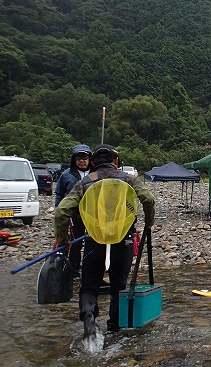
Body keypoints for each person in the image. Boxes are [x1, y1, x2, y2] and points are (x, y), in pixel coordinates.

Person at [54, 144, 156, 337]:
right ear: (116, 161)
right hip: (123, 241)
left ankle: (90, 325)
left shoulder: (84, 182)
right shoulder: (129, 179)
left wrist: (63, 240)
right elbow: (149, 200)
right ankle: (114, 330)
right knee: (118, 287)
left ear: (93, 163)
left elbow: (61, 211)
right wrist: (149, 221)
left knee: (89, 287)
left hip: (94, 241)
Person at [54, 144, 92, 280]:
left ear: (89, 159)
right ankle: (74, 271)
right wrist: (58, 208)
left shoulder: (95, 173)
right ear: (74, 160)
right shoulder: (66, 175)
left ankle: (89, 271)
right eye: (78, 158)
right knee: (75, 243)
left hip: (92, 214)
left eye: (84, 158)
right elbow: (59, 193)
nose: (82, 161)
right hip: (74, 214)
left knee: (92, 242)